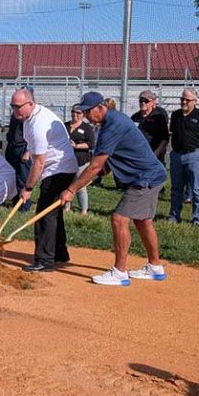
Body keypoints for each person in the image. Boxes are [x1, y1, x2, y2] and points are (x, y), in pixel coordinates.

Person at [60, 92, 168, 286]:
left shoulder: (113, 125)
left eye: (87, 112)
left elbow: (94, 166)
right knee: (143, 220)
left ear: (100, 108)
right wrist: (105, 170)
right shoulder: (110, 122)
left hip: (145, 177)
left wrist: (71, 190)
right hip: (151, 174)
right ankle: (155, 267)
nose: (85, 116)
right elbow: (111, 157)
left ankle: (119, 272)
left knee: (119, 219)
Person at [11, 88, 78, 272]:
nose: (14, 110)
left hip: (59, 170)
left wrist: (28, 188)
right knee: (54, 214)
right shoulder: (28, 118)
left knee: (44, 216)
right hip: (57, 169)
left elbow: (39, 163)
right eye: (12, 106)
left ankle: (44, 261)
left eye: (18, 106)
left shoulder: (39, 123)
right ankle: (59, 253)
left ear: (30, 104)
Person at [168, 88, 199, 226]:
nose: (184, 102)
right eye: (182, 99)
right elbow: (172, 132)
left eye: (187, 100)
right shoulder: (176, 115)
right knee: (176, 188)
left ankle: (197, 219)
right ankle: (174, 216)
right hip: (177, 155)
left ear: (194, 101)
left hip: (194, 155)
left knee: (196, 189)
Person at [65, 104, 95, 215]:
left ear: (83, 115)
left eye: (79, 113)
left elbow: (91, 144)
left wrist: (76, 146)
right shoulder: (65, 126)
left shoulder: (87, 128)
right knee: (67, 184)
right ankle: (67, 207)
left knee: (79, 185)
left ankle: (83, 210)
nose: (75, 115)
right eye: (73, 112)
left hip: (81, 161)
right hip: (66, 161)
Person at [130, 90, 169, 164]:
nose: (143, 103)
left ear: (152, 102)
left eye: (146, 101)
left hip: (154, 154)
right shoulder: (134, 117)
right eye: (141, 101)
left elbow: (165, 138)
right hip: (138, 155)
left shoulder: (159, 117)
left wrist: (157, 152)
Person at [4, 111, 32, 212]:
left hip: (23, 148)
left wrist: (28, 152)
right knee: (13, 177)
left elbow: (32, 135)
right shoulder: (15, 114)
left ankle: (24, 205)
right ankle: (15, 201)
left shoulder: (29, 116)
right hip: (12, 146)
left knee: (23, 178)